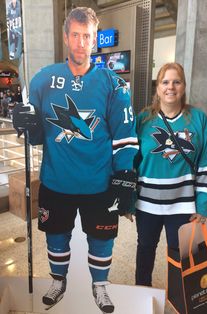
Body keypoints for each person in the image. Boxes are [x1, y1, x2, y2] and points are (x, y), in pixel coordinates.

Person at [12, 7, 138, 313]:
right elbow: (37, 135)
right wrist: (27, 125)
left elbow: (125, 134)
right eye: (76, 35)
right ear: (67, 38)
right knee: (56, 237)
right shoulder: (43, 79)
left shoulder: (113, 83)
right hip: (57, 182)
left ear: (94, 40)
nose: (81, 42)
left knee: (101, 239)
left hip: (99, 183)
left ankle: (100, 286)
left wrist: (125, 178)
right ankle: (59, 281)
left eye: (88, 36)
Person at [134, 62, 207, 287]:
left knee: (182, 256)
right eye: (165, 82)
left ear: (184, 86)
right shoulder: (143, 120)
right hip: (146, 205)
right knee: (145, 249)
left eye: (176, 82)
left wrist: (202, 207)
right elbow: (131, 162)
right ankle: (142, 292)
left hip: (183, 206)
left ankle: (183, 300)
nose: (171, 87)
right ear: (158, 88)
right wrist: (126, 200)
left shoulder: (200, 120)